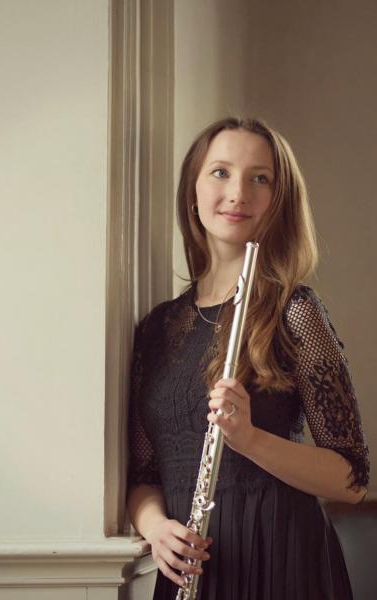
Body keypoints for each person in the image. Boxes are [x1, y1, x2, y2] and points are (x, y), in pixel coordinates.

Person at [126, 117, 370, 600]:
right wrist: (156, 528)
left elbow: (352, 479)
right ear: (193, 190)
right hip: (191, 566)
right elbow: (143, 475)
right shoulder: (156, 328)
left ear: (279, 199)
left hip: (284, 561)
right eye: (221, 172)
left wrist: (249, 438)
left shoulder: (295, 310)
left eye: (261, 178)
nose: (239, 193)